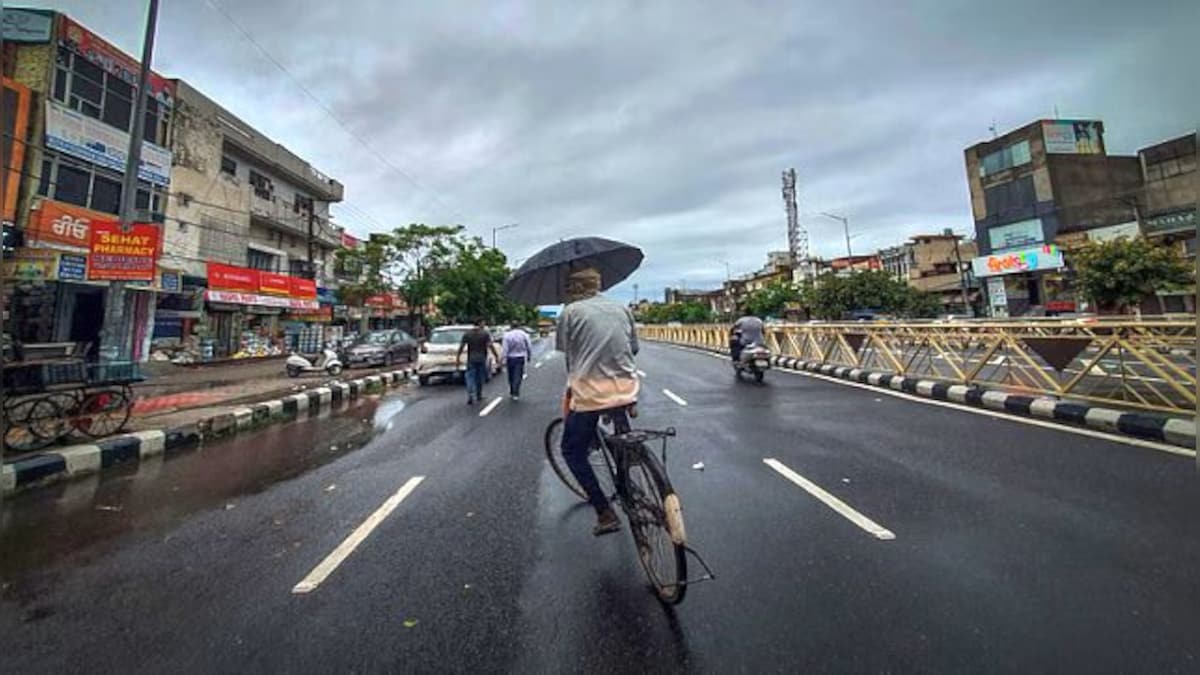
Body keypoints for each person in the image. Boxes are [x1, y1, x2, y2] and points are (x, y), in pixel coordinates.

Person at [556, 268, 639, 536]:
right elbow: (633, 347)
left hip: (591, 392)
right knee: (620, 436)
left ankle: (605, 512)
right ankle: (628, 469)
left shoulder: (570, 312)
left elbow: (567, 351)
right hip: (626, 388)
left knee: (571, 450)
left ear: (574, 288)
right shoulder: (621, 308)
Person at [456, 318, 501, 405]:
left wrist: (458, 358)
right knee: (480, 377)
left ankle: (470, 394)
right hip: (481, 358)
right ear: (480, 323)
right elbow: (490, 346)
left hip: (471, 358)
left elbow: (461, 347)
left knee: (470, 377)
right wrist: (496, 356)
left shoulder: (467, 334)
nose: (484, 324)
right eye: (483, 323)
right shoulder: (484, 334)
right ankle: (479, 394)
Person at [501, 322, 533, 400]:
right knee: (518, 375)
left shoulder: (507, 335)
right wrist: (529, 356)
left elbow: (505, 348)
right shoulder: (524, 334)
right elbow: (529, 346)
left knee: (511, 375)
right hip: (520, 357)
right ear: (519, 326)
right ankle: (516, 391)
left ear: (511, 326)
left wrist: (503, 359)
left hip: (510, 358)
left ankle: (512, 390)